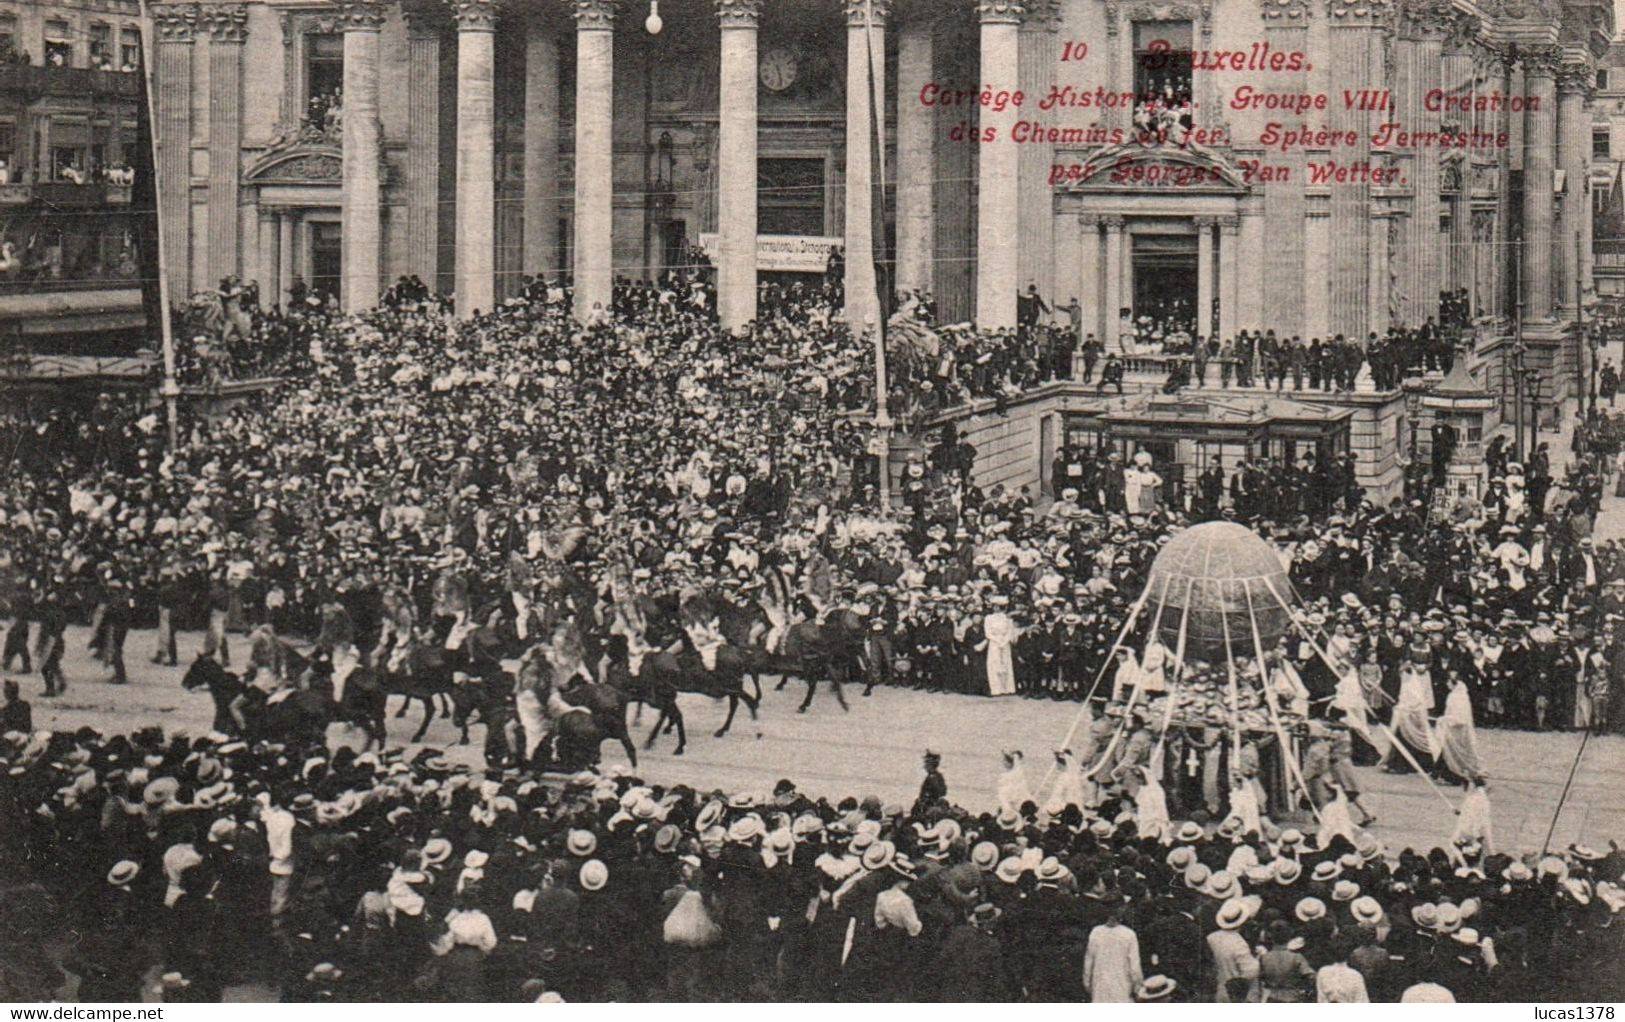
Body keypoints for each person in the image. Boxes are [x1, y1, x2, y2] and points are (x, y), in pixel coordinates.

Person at [1082, 901, 1143, 1002]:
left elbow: (1088, 961)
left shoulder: (1096, 932)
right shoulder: (1129, 934)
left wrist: (1087, 982)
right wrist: (1137, 986)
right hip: (1122, 983)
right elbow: (1135, 966)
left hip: (1100, 982)